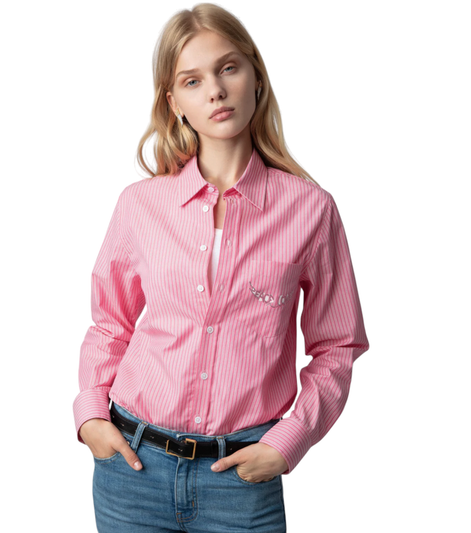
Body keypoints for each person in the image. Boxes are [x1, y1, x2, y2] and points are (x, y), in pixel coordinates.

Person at [73, 3, 369, 532]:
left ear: (256, 76)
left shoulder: (310, 209)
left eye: (228, 68)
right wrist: (92, 414)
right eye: (193, 80)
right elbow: (110, 324)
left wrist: (289, 440)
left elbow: (338, 345)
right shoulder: (140, 205)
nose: (215, 90)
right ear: (175, 103)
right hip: (131, 469)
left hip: (241, 479)